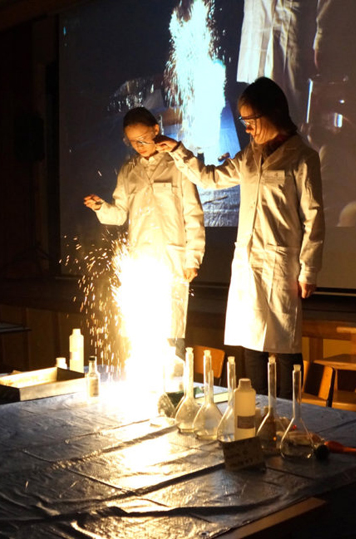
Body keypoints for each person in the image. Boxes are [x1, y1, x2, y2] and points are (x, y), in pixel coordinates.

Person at [155, 77, 325, 399]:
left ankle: (290, 414)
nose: (246, 128)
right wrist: (178, 151)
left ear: (272, 114)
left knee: (284, 344)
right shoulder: (249, 155)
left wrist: (309, 270)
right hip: (247, 265)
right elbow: (210, 179)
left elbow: (314, 217)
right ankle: (255, 411)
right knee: (250, 343)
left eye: (251, 120)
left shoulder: (302, 157)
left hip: (280, 266)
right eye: (243, 121)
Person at [83, 106, 205, 352]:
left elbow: (193, 214)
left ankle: (175, 376)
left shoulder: (177, 166)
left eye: (142, 139)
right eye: (132, 142)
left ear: (156, 130)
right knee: (142, 332)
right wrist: (100, 207)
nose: (138, 146)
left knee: (170, 334)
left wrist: (193, 259)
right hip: (140, 261)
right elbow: (119, 215)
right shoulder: (129, 170)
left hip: (172, 261)